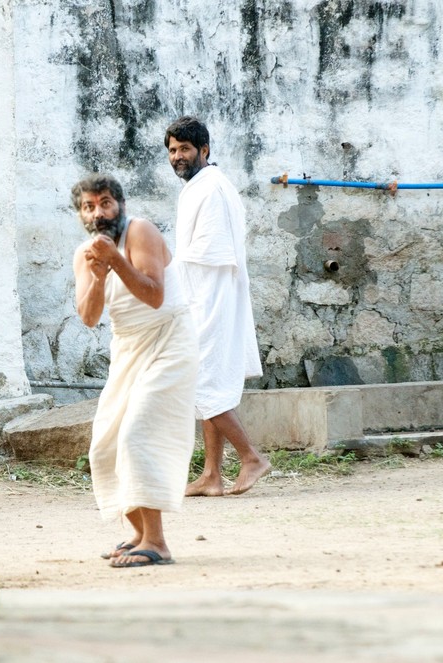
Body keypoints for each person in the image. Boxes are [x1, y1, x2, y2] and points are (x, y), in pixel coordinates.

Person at [70, 173, 198, 568]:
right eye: (89, 207)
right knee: (105, 443)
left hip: (168, 340)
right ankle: (138, 533)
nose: (98, 213)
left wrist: (116, 260)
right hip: (127, 349)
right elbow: (89, 317)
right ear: (80, 214)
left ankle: (157, 543)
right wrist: (98, 272)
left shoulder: (139, 231)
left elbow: (155, 296)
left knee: (137, 433)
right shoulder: (83, 254)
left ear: (120, 205)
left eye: (105, 203)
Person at [164, 115, 271, 497]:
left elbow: (207, 252)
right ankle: (212, 475)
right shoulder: (199, 186)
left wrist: (167, 284)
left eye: (185, 149)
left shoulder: (211, 189)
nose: (178, 156)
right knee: (209, 385)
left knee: (202, 383)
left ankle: (252, 458)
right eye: (173, 150)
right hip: (203, 296)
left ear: (204, 150)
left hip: (209, 299)